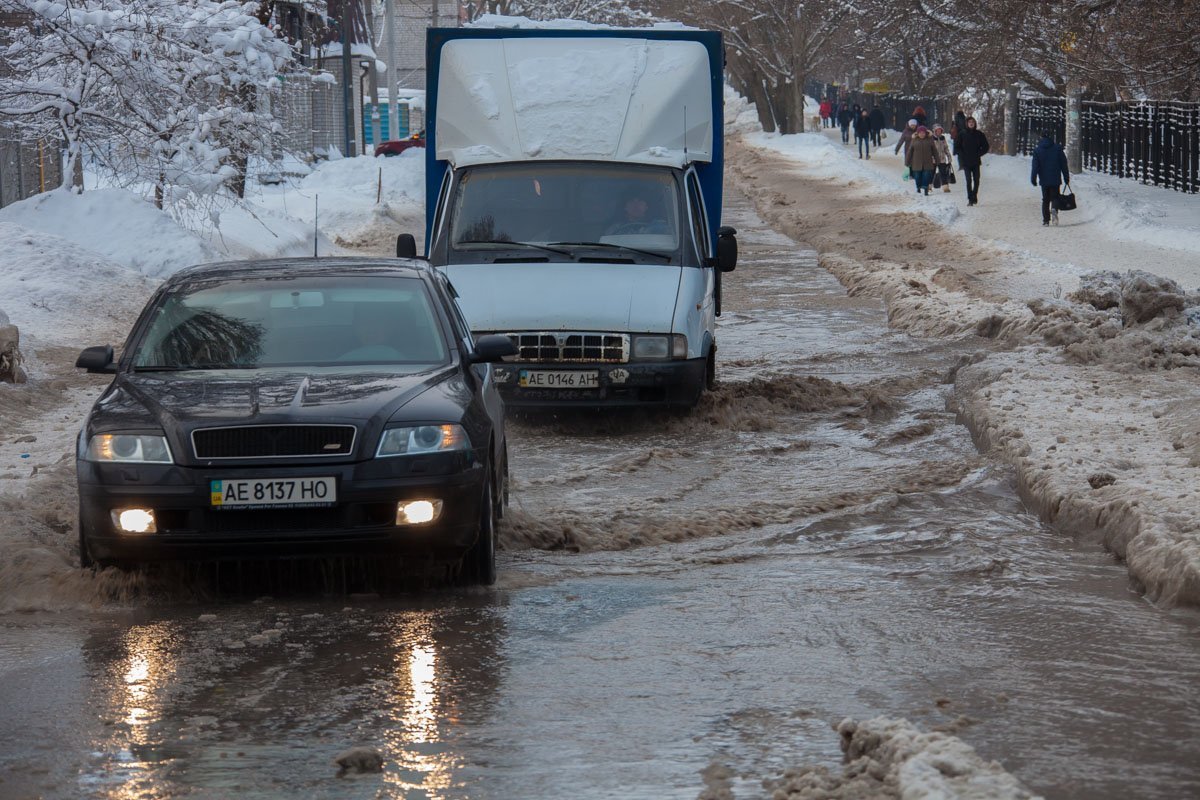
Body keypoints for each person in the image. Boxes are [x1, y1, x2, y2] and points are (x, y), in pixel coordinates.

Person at [1031, 129, 1070, 226]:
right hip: (1055, 178)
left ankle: (1045, 221)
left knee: (1045, 199)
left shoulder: (1037, 150)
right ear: (1050, 137)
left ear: (1041, 137)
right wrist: (1066, 177)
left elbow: (1035, 166)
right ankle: (1054, 209)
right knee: (1055, 197)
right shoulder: (1057, 148)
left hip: (1044, 179)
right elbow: (1063, 164)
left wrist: (1033, 178)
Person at [957, 116, 990, 206]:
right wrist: (962, 154)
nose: (971, 123)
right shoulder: (962, 134)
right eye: (969, 122)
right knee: (968, 180)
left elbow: (986, 146)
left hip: (976, 161)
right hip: (966, 162)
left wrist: (979, 153)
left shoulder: (979, 134)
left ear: (975, 123)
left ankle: (974, 195)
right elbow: (957, 147)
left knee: (976, 180)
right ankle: (970, 199)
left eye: (973, 122)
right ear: (967, 124)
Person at [905, 125, 940, 196]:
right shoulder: (914, 140)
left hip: (927, 162)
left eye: (923, 133)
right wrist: (907, 161)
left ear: (926, 133)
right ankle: (918, 187)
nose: (922, 134)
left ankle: (926, 189)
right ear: (917, 133)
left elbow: (934, 151)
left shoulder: (930, 140)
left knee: (926, 176)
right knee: (917, 176)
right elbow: (910, 151)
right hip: (916, 163)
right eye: (920, 133)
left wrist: (937, 160)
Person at [931, 124, 953, 192]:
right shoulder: (931, 138)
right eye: (937, 130)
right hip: (933, 160)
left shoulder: (943, 138)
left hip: (942, 159)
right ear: (934, 131)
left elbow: (946, 148)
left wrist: (949, 156)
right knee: (931, 173)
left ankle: (945, 187)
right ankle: (929, 186)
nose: (938, 132)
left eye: (940, 130)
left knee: (943, 173)